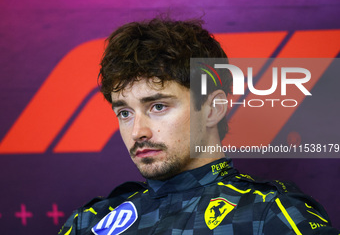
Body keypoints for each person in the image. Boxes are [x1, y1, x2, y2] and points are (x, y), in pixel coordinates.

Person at [59, 18, 339, 235]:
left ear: (212, 109)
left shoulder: (269, 214)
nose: (137, 132)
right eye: (124, 112)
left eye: (158, 106)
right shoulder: (90, 222)